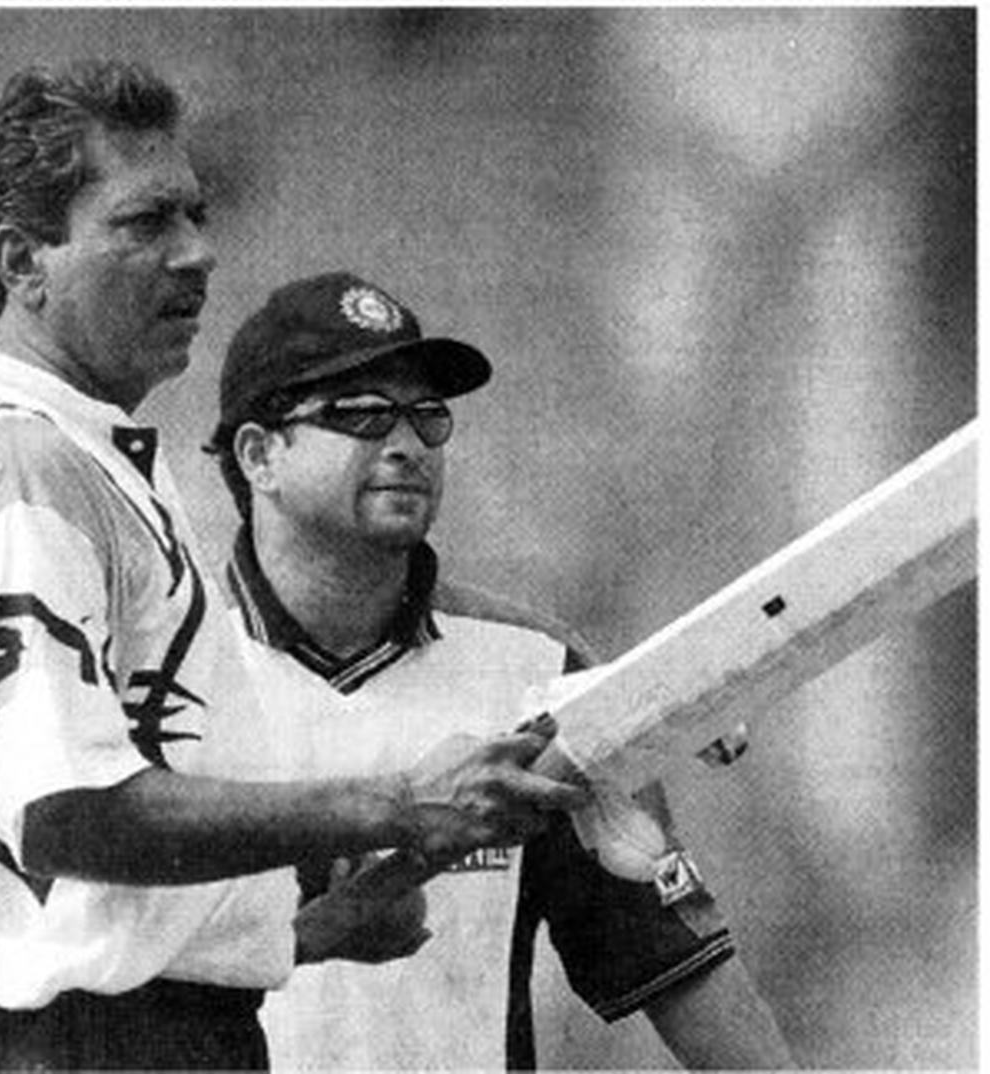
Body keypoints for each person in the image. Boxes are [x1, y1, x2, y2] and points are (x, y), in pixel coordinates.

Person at [0, 62, 590, 1072]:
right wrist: (393, 802)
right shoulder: (23, 468)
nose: (198, 253)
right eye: (146, 222)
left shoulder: (88, 460)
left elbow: (106, 888)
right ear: (23, 259)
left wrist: (293, 928)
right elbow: (68, 811)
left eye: (197, 216)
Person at [205, 270, 798, 1070]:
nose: (407, 443)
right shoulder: (169, 662)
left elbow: (674, 965)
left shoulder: (533, 669)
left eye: (426, 416)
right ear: (258, 455)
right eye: (362, 415)